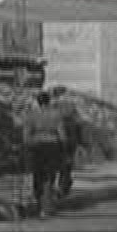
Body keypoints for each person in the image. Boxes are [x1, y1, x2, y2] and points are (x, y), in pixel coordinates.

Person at [24, 90, 66, 218]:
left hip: (36, 146)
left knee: (37, 175)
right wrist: (64, 147)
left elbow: (26, 134)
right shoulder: (56, 114)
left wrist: (27, 146)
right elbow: (62, 133)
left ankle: (39, 203)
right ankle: (46, 206)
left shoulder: (31, 115)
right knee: (50, 176)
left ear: (37, 102)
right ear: (49, 101)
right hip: (52, 145)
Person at [54, 90, 84, 199]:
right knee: (66, 165)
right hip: (69, 140)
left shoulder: (53, 106)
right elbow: (79, 124)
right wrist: (81, 141)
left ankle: (60, 187)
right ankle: (63, 186)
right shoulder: (71, 106)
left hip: (58, 141)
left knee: (57, 165)